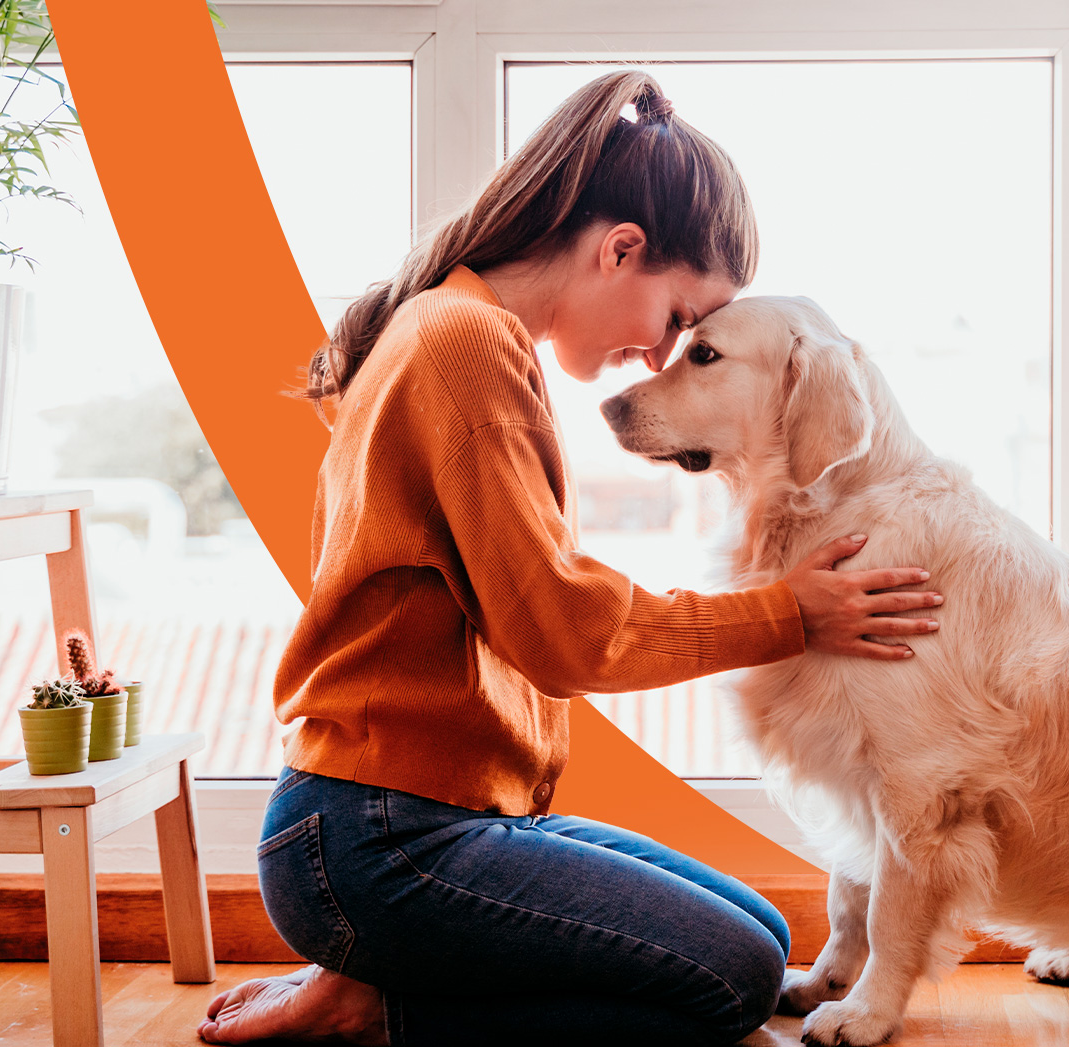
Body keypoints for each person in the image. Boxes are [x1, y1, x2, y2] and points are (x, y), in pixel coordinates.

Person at [199, 71, 943, 1047]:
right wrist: (788, 613)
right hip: (376, 838)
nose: (659, 355)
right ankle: (381, 1007)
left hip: (429, 819)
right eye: (677, 319)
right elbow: (560, 629)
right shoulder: (464, 347)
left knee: (761, 935)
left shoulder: (456, 325)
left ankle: (368, 980)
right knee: (729, 978)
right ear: (619, 249)